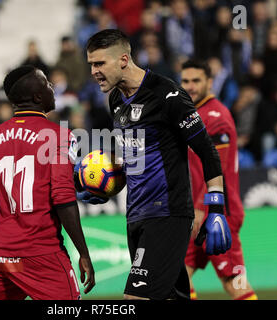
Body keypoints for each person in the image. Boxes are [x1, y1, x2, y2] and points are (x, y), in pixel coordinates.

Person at [83, 29, 231, 300]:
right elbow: (135, 157)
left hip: (167, 214)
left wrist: (216, 207)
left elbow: (207, 151)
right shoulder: (116, 100)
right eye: (91, 64)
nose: (93, 71)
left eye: (100, 63)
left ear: (123, 59)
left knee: (135, 299)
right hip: (136, 215)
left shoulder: (168, 95)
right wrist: (103, 183)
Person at [0, 65, 95, 300]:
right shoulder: (60, 136)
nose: (52, 87)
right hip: (41, 254)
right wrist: (83, 252)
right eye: (47, 84)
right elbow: (63, 198)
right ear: (37, 97)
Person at [180, 59, 258, 300]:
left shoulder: (216, 116)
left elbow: (218, 168)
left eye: (196, 81)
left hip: (218, 214)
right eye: (185, 81)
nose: (190, 86)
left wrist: (204, 208)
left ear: (210, 82)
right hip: (197, 214)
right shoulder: (192, 114)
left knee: (234, 281)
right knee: (177, 276)